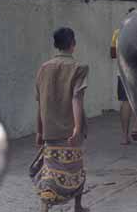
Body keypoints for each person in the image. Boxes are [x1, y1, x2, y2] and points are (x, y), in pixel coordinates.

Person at [33, 27, 89, 212]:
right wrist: (77, 127)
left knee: (49, 168)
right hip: (70, 127)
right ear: (73, 44)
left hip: (50, 128)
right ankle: (78, 206)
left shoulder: (43, 68)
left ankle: (44, 207)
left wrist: (39, 130)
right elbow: (76, 98)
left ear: (55, 45)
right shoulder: (79, 67)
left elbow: (40, 101)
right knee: (76, 167)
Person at [111, 7, 137, 145]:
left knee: (125, 102)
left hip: (122, 73)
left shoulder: (118, 33)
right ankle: (136, 129)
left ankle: (124, 136)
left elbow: (112, 54)